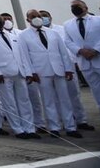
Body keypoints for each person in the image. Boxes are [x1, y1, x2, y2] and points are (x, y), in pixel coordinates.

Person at [17, 9, 81, 138]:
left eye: (38, 16)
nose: (37, 18)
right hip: (41, 71)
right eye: (33, 16)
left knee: (64, 99)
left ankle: (70, 127)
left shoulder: (53, 33)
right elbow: (24, 56)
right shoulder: (23, 35)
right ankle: (54, 127)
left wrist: (68, 69)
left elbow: (63, 52)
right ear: (28, 19)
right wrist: (31, 72)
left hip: (59, 70)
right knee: (48, 100)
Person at [63, 0, 100, 137]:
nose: (75, 8)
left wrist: (95, 51)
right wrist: (80, 51)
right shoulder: (68, 24)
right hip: (86, 64)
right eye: (73, 6)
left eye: (78, 6)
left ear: (86, 7)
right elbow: (68, 41)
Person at [0, 14, 38, 139]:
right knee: (9, 103)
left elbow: (22, 55)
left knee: (24, 101)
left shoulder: (13, 36)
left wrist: (28, 72)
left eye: (0, 20)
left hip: (19, 72)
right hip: (3, 75)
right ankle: (18, 129)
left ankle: (29, 128)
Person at [40, 8, 93, 131]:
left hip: (68, 65)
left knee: (74, 94)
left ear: (50, 17)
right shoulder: (37, 33)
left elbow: (69, 46)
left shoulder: (61, 29)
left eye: (45, 15)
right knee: (56, 97)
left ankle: (81, 120)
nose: (43, 18)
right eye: (40, 16)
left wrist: (73, 63)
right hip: (50, 69)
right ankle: (65, 120)